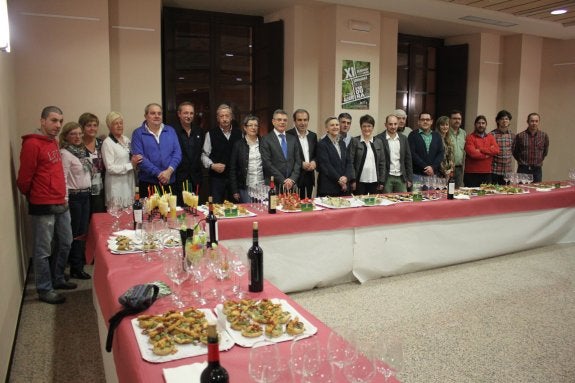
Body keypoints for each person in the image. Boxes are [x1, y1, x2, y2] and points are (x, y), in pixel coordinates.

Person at [17, 106, 77, 304]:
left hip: (61, 201)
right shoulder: (32, 144)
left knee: (66, 242)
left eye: (60, 121)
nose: (58, 125)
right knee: (43, 250)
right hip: (42, 204)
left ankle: (58, 278)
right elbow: (24, 179)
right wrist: (35, 195)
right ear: (42, 121)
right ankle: (44, 288)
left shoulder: (53, 142)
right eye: (53, 120)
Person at [59, 122, 93, 280]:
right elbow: (63, 179)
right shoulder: (65, 153)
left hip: (86, 195)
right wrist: (65, 199)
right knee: (75, 234)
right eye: (73, 134)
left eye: (80, 133)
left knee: (82, 233)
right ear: (66, 136)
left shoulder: (81, 152)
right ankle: (75, 267)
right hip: (74, 197)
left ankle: (77, 266)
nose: (78, 137)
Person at [131, 103, 182, 197]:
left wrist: (169, 172)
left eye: (159, 113)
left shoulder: (170, 131)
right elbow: (139, 158)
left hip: (170, 181)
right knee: (149, 212)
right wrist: (159, 174)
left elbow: (177, 153)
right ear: (146, 116)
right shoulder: (138, 133)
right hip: (148, 183)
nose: (156, 116)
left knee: (171, 211)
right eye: (153, 113)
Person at [201, 104, 242, 202]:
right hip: (216, 179)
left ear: (231, 117)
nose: (224, 119)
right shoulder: (210, 134)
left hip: (235, 178)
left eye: (227, 116)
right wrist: (212, 165)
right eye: (221, 116)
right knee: (216, 207)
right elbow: (204, 155)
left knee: (235, 208)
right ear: (217, 118)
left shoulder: (240, 133)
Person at [101, 112, 141, 205]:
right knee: (117, 215)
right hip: (116, 185)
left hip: (129, 182)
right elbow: (110, 168)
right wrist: (131, 165)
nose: (119, 126)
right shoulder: (107, 143)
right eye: (116, 123)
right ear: (109, 126)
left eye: (121, 123)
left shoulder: (126, 139)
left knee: (130, 212)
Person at [260, 109, 301, 191]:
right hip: (274, 185)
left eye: (285, 120)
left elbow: (298, 161)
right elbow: (267, 163)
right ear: (273, 122)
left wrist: (292, 179)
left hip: (292, 185)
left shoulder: (293, 139)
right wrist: (283, 180)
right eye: (279, 120)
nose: (282, 122)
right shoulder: (266, 139)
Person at [173, 102, 204, 205]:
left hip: (196, 179)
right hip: (179, 178)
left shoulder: (199, 131)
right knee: (181, 212)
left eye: (191, 113)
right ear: (179, 114)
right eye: (186, 113)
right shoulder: (172, 131)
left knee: (195, 209)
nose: (189, 116)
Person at [229, 116, 264, 203]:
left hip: (262, 186)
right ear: (245, 128)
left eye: (256, 125)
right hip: (246, 187)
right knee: (249, 212)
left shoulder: (264, 143)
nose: (253, 128)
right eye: (250, 125)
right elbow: (232, 168)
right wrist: (235, 190)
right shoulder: (238, 145)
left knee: (263, 212)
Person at [348, 114, 386, 195]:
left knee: (373, 205)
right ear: (361, 127)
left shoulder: (379, 142)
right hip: (359, 182)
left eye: (369, 126)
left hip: (374, 181)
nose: (367, 128)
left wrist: (382, 181)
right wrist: (353, 180)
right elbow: (350, 162)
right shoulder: (354, 141)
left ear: (373, 127)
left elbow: (382, 163)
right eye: (364, 126)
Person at [316, 116, 352, 196]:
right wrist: (340, 180)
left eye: (337, 125)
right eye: (332, 125)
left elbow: (348, 162)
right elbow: (326, 166)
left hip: (344, 188)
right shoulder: (322, 144)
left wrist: (346, 177)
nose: (335, 127)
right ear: (327, 128)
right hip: (329, 188)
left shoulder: (342, 143)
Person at [286, 109, 317, 199]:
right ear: (294, 121)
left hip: (309, 176)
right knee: (295, 206)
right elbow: (287, 156)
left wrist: (315, 162)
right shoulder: (288, 135)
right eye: (299, 120)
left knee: (308, 206)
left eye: (305, 120)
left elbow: (316, 154)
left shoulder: (313, 136)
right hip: (295, 177)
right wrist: (301, 163)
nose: (302, 123)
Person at [378, 114, 413, 193]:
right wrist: (380, 180)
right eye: (390, 124)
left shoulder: (403, 139)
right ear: (385, 125)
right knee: (387, 202)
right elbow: (378, 162)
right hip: (387, 178)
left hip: (401, 177)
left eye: (395, 124)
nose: (393, 126)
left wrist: (409, 179)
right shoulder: (379, 139)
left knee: (402, 202)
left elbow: (408, 160)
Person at [79, 112, 106, 214]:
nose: (92, 128)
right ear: (82, 127)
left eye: (95, 125)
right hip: (83, 190)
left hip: (100, 189)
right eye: (88, 125)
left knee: (98, 218)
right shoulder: (77, 145)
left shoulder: (102, 143)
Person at [464, 115, 500, 187]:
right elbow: (473, 154)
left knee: (486, 196)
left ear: (486, 125)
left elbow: (496, 150)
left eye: (483, 123)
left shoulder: (490, 137)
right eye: (479, 123)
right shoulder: (469, 137)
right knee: (472, 197)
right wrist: (488, 154)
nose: (481, 125)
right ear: (475, 124)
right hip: (472, 174)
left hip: (487, 173)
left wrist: (480, 149)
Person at [512, 113, 549, 183]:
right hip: (523, 169)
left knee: (536, 191)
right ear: (527, 121)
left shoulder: (544, 136)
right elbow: (514, 151)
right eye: (532, 121)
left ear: (539, 122)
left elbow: (545, 152)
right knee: (522, 191)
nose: (534, 123)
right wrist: (521, 161)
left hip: (537, 169)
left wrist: (539, 160)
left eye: (536, 121)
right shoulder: (520, 136)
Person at [408, 113, 445, 181]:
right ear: (419, 122)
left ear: (431, 122)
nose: (425, 121)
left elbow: (441, 153)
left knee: (432, 192)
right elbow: (412, 153)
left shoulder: (437, 136)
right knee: (417, 192)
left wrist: (432, 167)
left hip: (433, 174)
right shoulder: (412, 135)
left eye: (427, 120)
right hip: (417, 175)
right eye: (423, 119)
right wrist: (425, 167)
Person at [490, 110, 515, 185]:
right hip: (494, 171)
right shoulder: (491, 135)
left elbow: (515, 151)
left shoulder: (513, 136)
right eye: (502, 119)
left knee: (505, 194)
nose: (504, 121)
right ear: (498, 121)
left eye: (507, 119)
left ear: (509, 121)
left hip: (507, 172)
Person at [448, 109, 466, 188]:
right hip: (447, 168)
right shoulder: (445, 132)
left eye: (459, 119)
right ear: (450, 120)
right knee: (447, 191)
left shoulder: (463, 133)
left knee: (458, 191)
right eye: (454, 118)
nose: (457, 121)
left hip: (459, 168)